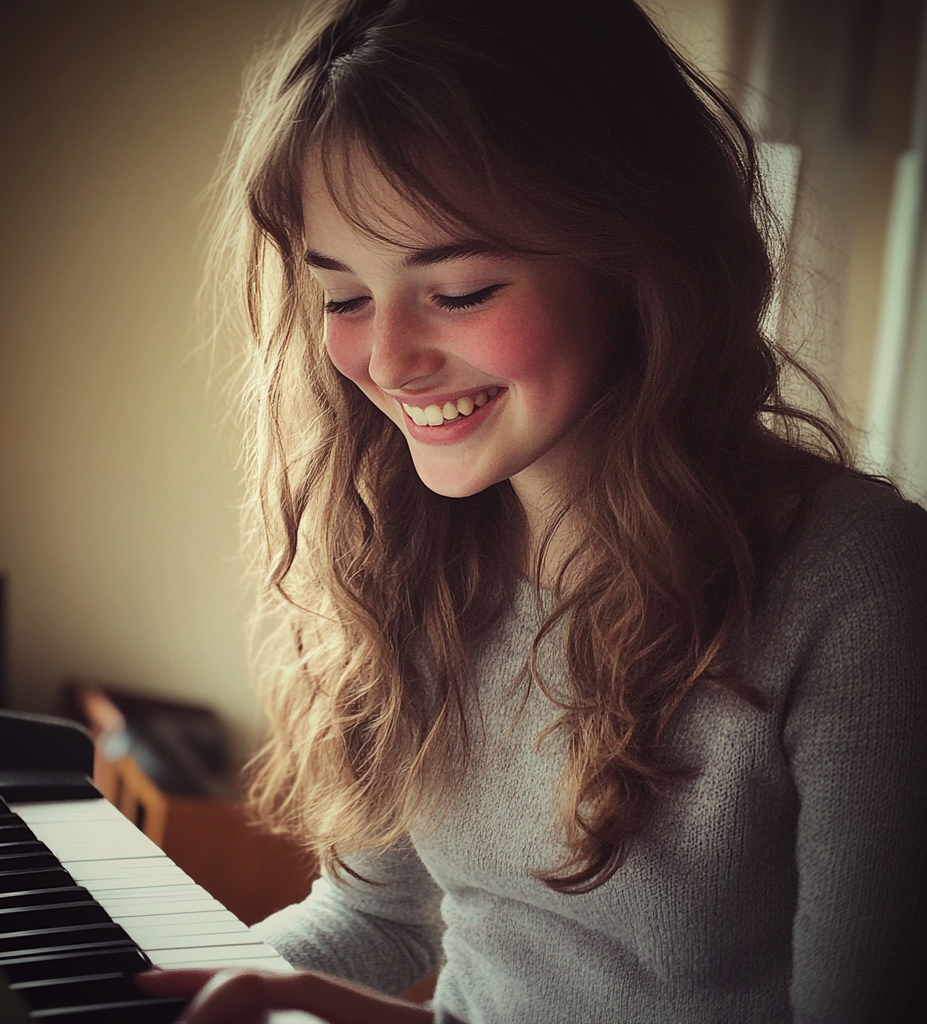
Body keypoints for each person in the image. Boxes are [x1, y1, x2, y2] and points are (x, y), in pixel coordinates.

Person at [137, 0, 927, 1020]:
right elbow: (372, 919)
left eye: (458, 290)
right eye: (341, 297)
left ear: (638, 262)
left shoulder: (857, 582)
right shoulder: (417, 551)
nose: (386, 360)